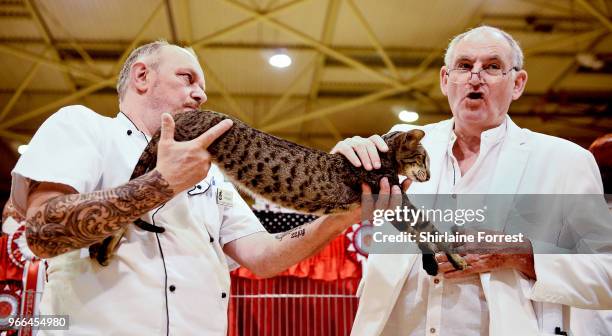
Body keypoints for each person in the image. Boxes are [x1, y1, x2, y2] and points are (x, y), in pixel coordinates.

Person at [10, 40, 399, 335]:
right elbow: (43, 232)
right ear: (141, 76)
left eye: (202, 85)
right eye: (187, 78)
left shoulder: (209, 173)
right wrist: (161, 184)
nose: (202, 94)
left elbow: (265, 257)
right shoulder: (83, 127)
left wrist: (346, 213)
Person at [332, 26, 612, 335]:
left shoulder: (564, 161)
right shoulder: (400, 148)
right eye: (464, 66)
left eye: (492, 66)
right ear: (445, 79)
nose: (475, 76)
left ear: (517, 83)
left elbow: (606, 273)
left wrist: (523, 253)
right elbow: (332, 203)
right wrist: (339, 163)